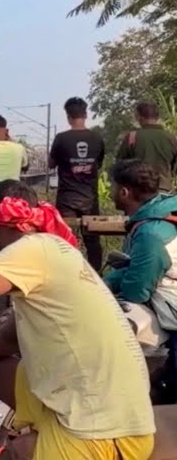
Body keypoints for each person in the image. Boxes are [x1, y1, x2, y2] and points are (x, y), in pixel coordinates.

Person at [0, 180, 155, 460]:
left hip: (95, 428)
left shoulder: (30, 250)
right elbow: (5, 341)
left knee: (16, 453)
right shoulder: (53, 249)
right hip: (96, 403)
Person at [106, 159, 177, 338]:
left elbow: (137, 290)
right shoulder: (159, 214)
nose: (109, 194)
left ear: (124, 192)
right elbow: (136, 267)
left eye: (112, 188)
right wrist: (104, 283)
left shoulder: (150, 233)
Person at [49, 97, 106, 271]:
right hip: (90, 199)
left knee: (65, 240)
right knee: (92, 242)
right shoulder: (96, 138)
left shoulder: (61, 138)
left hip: (66, 199)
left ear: (68, 116)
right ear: (86, 114)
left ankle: (67, 275)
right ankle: (96, 277)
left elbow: (51, 165)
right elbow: (99, 163)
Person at [117, 100, 177, 193]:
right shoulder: (172, 139)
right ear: (157, 117)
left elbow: (120, 166)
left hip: (139, 192)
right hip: (165, 191)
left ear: (139, 117)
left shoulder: (132, 137)